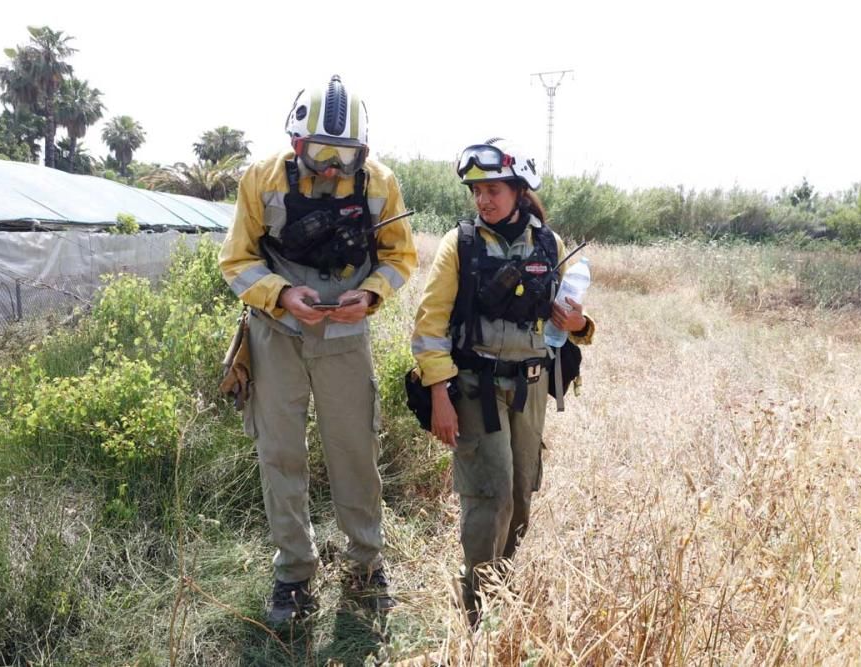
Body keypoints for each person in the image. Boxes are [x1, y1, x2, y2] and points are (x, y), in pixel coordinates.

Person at [218, 75, 417, 624]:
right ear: (296, 143)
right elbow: (236, 261)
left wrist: (371, 295)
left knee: (355, 451)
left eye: (345, 156)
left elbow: (401, 258)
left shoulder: (380, 185)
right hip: (275, 334)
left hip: (346, 338)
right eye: (321, 154)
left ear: (364, 152)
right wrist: (281, 294)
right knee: (280, 454)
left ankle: (366, 566)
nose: (332, 168)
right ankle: (294, 575)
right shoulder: (261, 179)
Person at [410, 138, 595, 625]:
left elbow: (576, 322)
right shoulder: (462, 244)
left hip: (531, 388)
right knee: (489, 496)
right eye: (477, 191)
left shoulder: (549, 244)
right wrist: (439, 398)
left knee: (519, 495)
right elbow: (429, 326)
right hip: (477, 389)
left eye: (493, 189)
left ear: (518, 190)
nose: (483, 200)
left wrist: (575, 322)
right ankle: (475, 608)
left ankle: (500, 588)